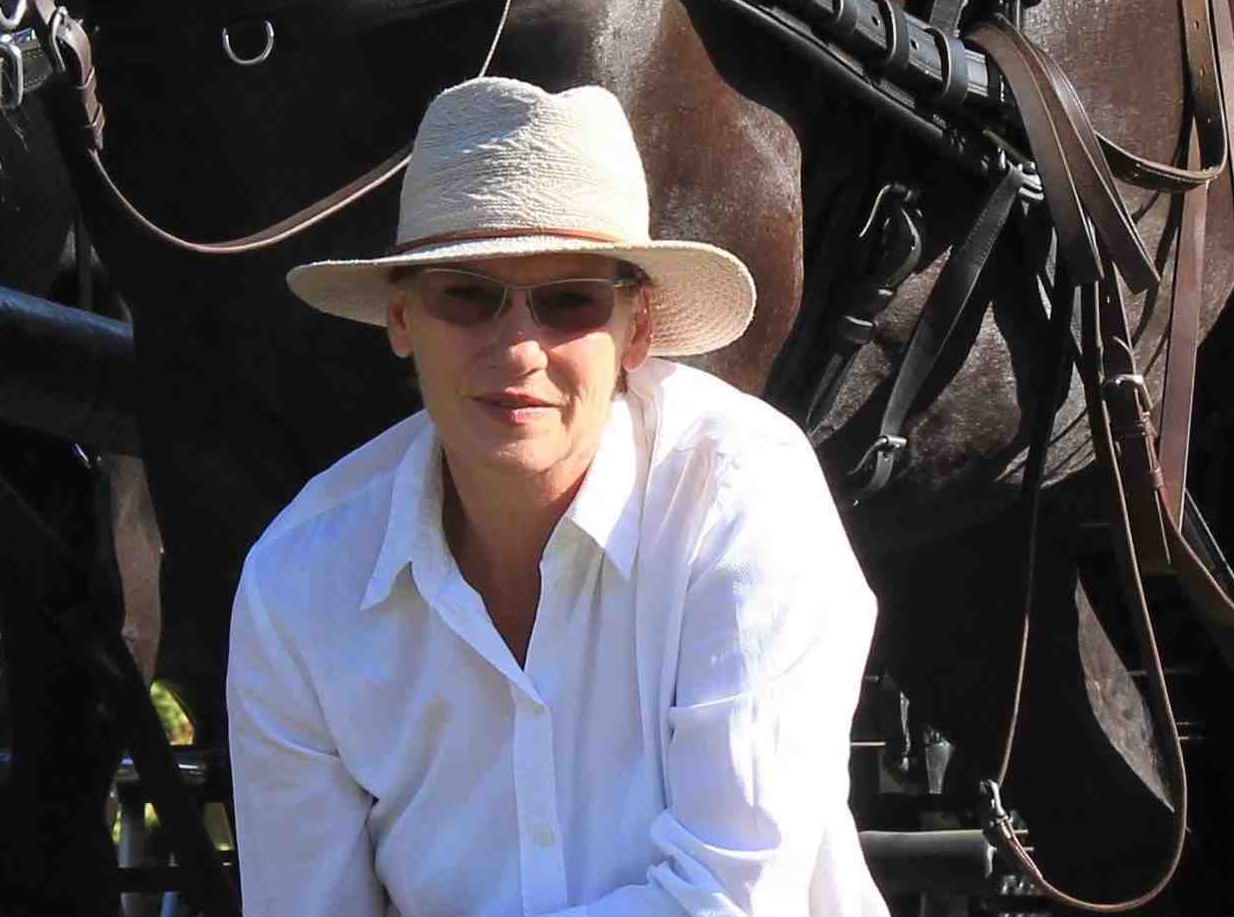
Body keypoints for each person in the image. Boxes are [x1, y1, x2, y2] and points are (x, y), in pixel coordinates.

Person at [227, 77, 892, 917]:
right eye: (467, 295)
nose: (517, 349)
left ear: (638, 331)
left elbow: (733, 903)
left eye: (568, 302)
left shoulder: (741, 490)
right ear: (402, 319)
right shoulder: (296, 581)